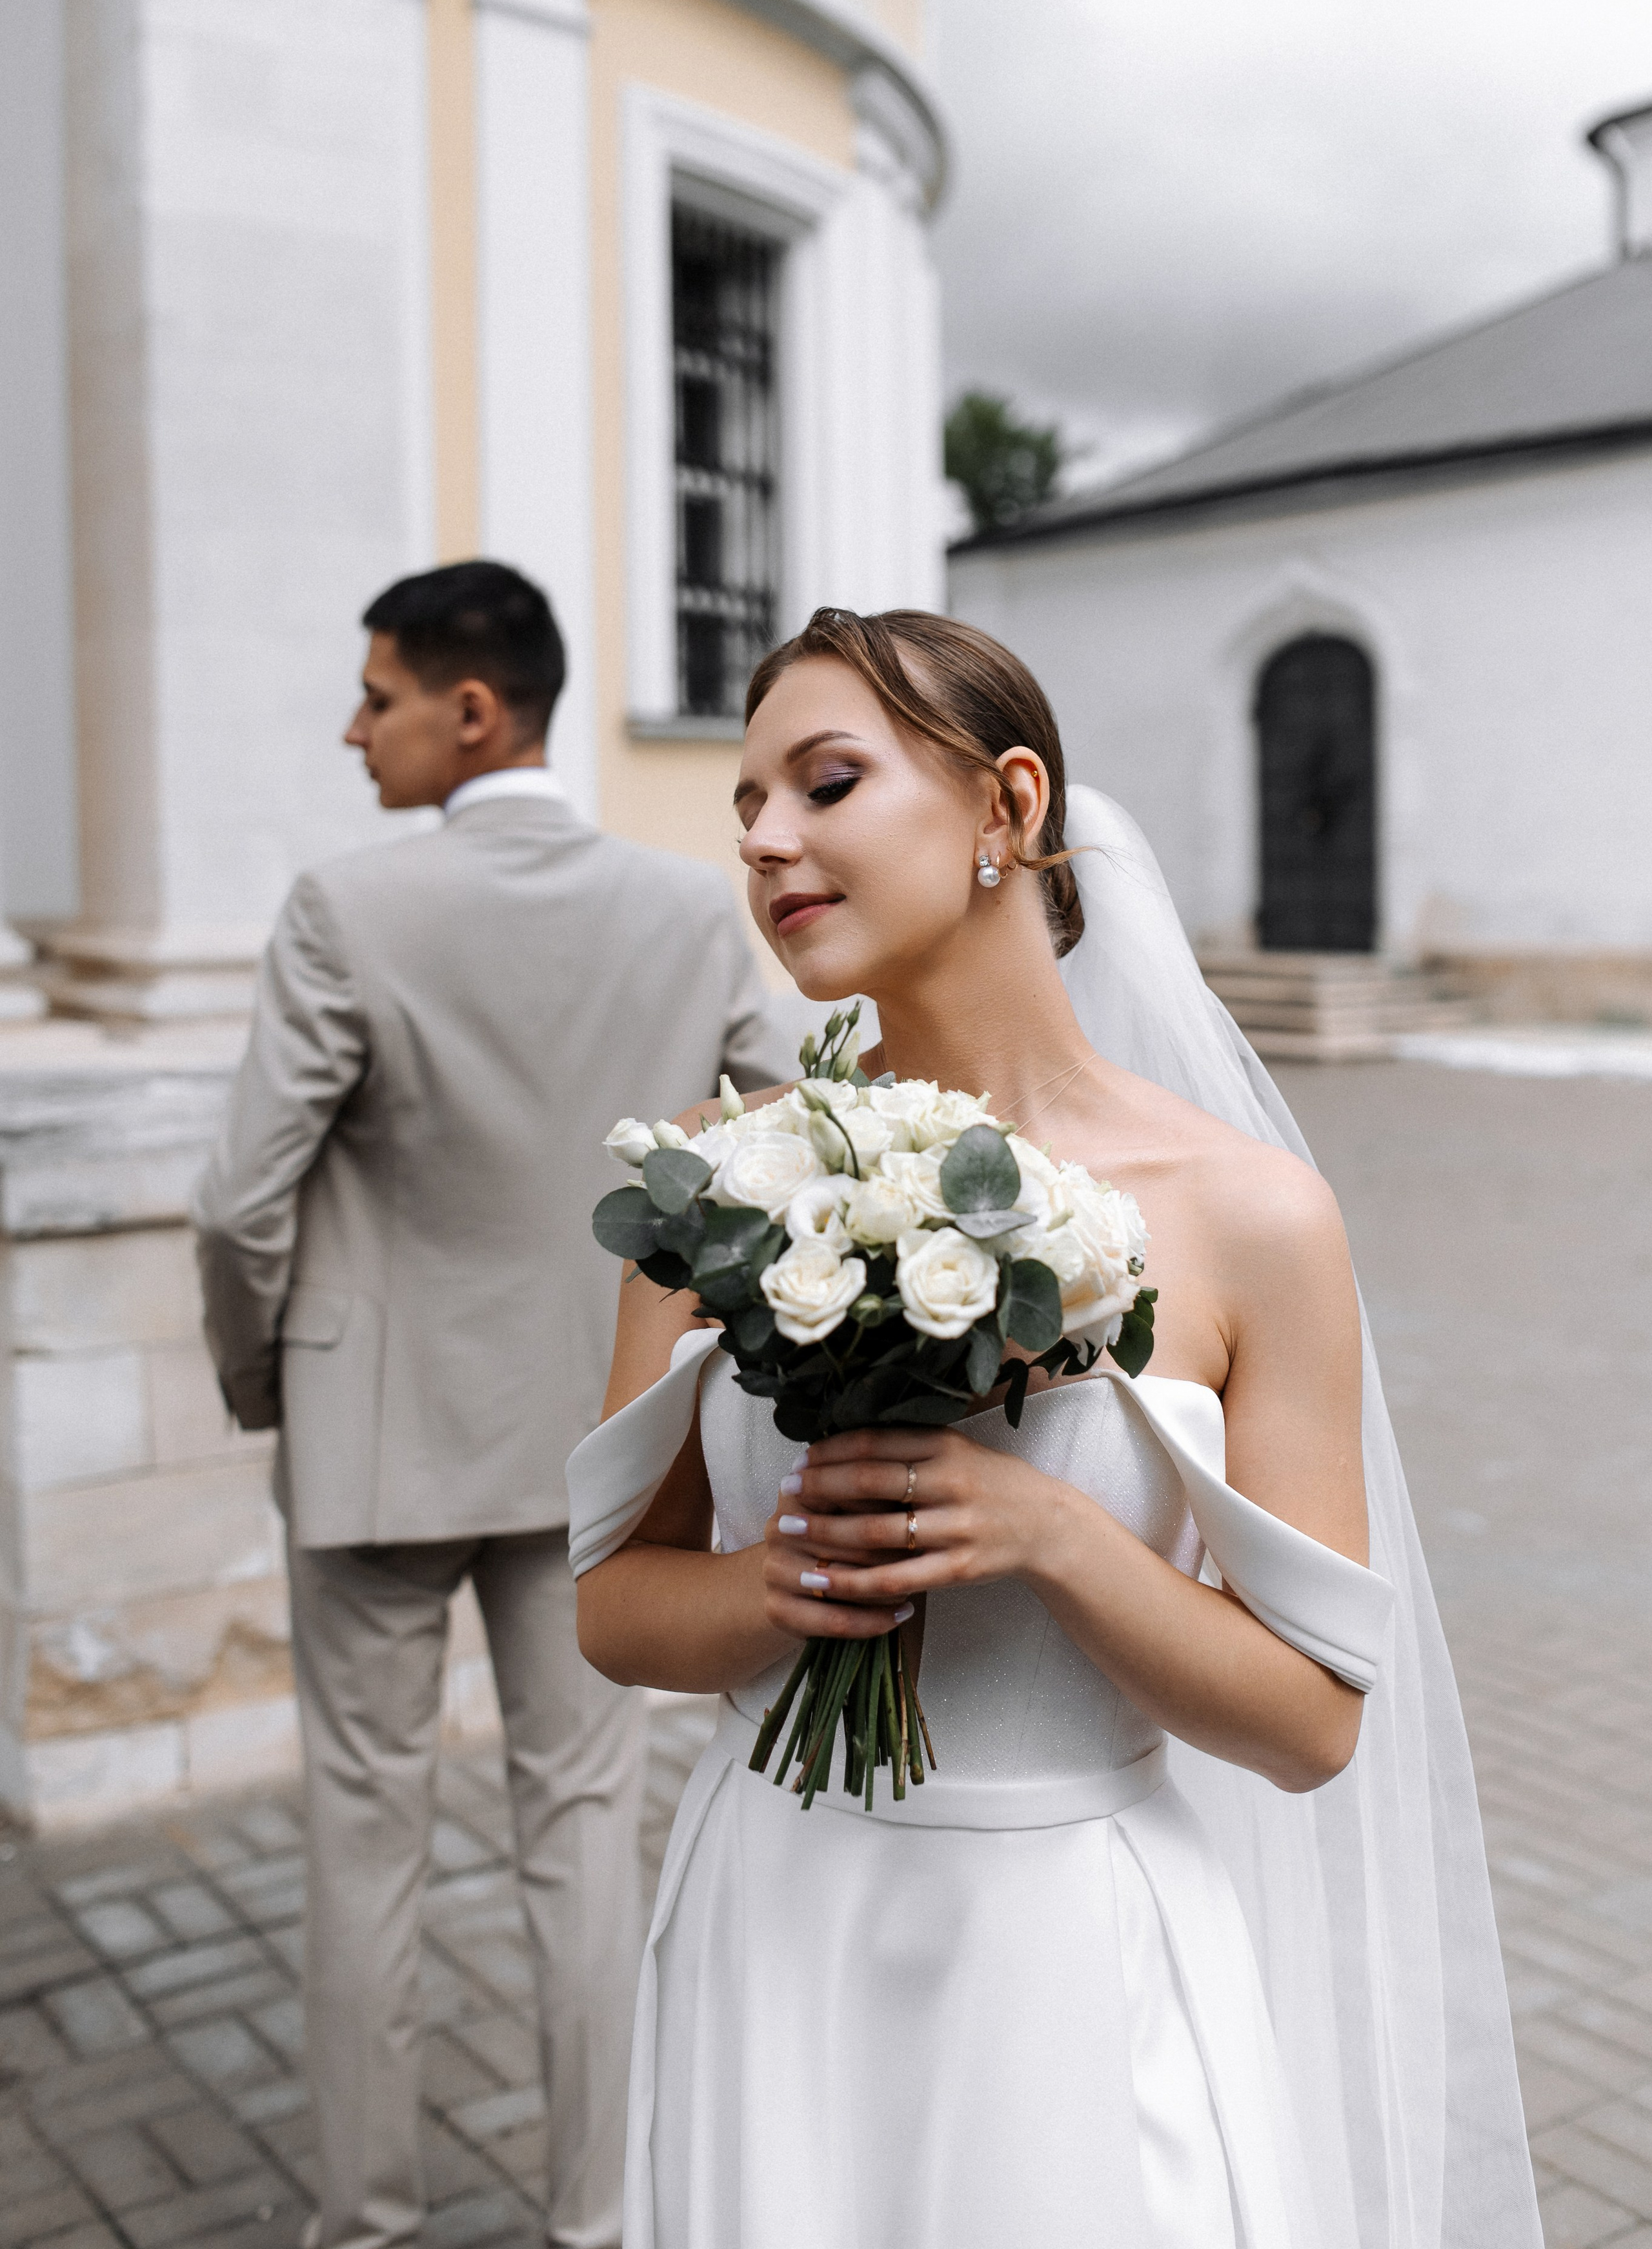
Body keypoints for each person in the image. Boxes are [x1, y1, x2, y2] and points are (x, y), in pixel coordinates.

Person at [567, 608, 1540, 2249]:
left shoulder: (1254, 1219)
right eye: (744, 804)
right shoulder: (707, 1175)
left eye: (821, 782)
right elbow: (609, 1606)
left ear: (1006, 810)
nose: (762, 838)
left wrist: (1050, 1537)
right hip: (776, 1916)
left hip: (1066, 1953)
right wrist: (781, 1590)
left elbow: (1310, 1724)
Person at [193, 560, 786, 2249]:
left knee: (364, 1852)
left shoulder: (343, 909)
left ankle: (368, 2228)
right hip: (602, 1448)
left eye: (372, 696)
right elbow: (807, 1127)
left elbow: (241, 1205)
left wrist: (268, 1387)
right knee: (584, 1840)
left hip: (372, 1446)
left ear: (472, 709)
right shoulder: (687, 910)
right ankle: (598, 2223)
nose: (349, 727)